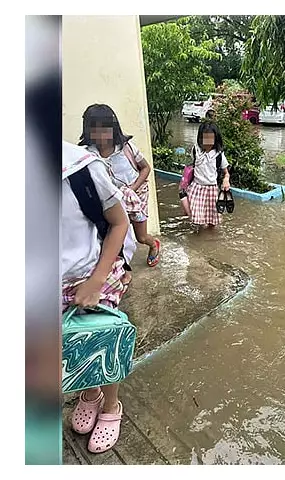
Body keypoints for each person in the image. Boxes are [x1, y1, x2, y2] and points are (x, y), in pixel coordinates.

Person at [62, 141, 131, 454]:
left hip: (93, 273)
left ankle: (111, 404)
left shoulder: (82, 168)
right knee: (73, 346)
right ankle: (90, 394)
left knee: (104, 342)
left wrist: (97, 280)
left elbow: (120, 222)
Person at [79, 104, 161, 269]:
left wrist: (132, 188)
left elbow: (145, 168)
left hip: (137, 196)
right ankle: (123, 270)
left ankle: (154, 244)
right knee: (115, 236)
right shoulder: (88, 155)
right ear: (87, 131)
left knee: (141, 237)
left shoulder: (127, 148)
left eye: (105, 129)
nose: (100, 135)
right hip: (112, 200)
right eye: (94, 130)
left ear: (113, 128)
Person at [187, 122, 231, 229]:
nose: (208, 142)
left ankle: (210, 239)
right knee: (197, 219)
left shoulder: (218, 154)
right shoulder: (195, 150)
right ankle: (199, 239)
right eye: (205, 138)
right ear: (200, 137)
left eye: (211, 138)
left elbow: (226, 173)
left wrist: (226, 180)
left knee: (213, 221)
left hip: (212, 190)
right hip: (196, 188)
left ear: (216, 139)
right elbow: (191, 167)